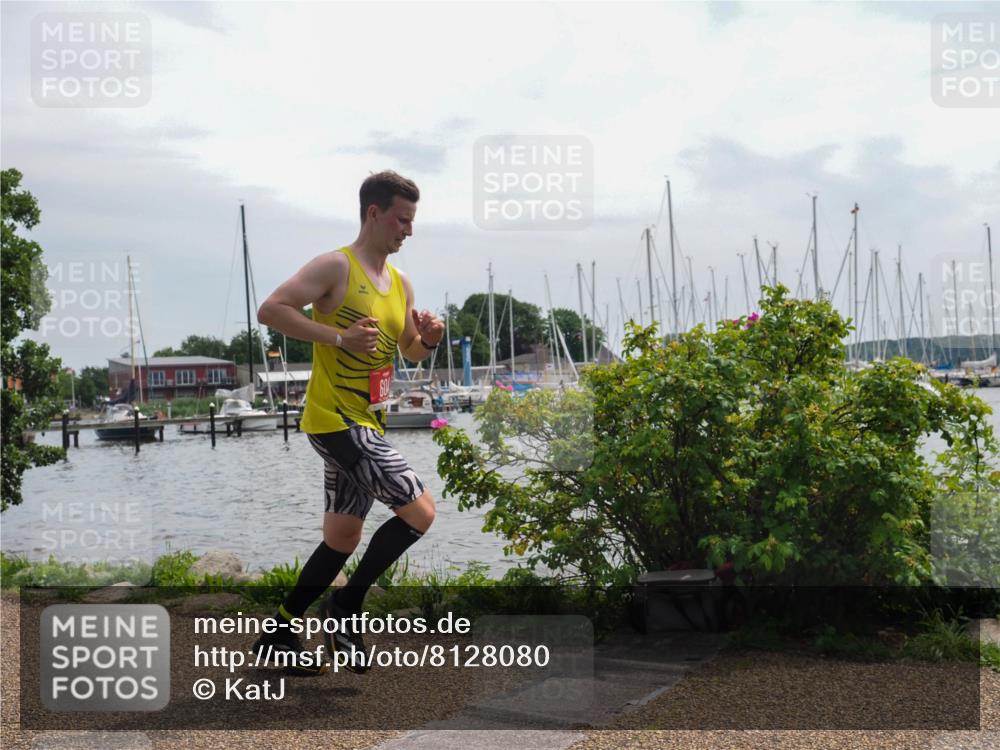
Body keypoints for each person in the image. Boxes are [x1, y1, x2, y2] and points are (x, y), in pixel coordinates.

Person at [252, 171, 443, 675]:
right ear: (374, 213)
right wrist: (336, 338)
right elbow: (271, 310)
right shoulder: (336, 265)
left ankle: (279, 632)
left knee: (341, 537)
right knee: (420, 511)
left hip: (369, 422)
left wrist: (428, 339)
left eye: (413, 221)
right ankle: (346, 609)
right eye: (402, 219)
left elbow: (407, 352)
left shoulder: (400, 283)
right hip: (334, 420)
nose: (408, 230)